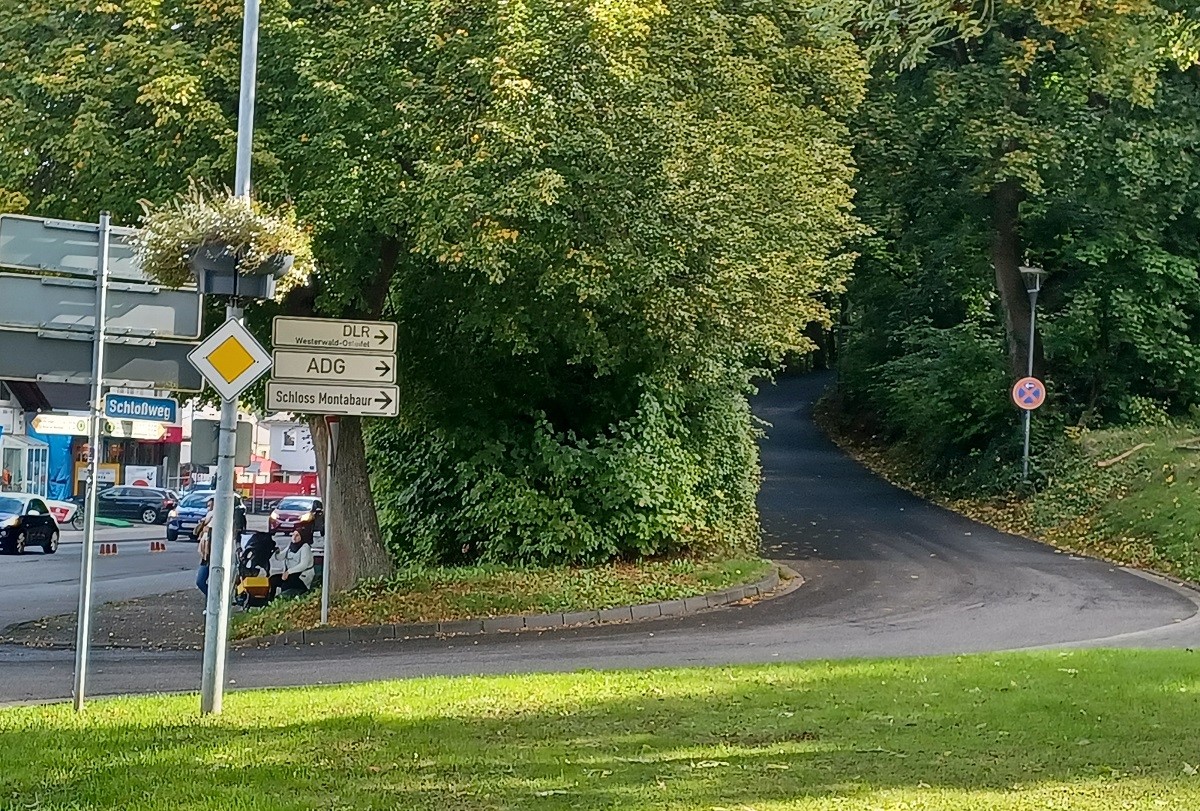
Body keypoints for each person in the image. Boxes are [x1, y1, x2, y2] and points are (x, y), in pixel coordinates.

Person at [270, 528, 315, 597]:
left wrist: (289, 572)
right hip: (290, 574)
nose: (294, 537)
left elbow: (303, 565)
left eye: (297, 535)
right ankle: (270, 600)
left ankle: (283, 601)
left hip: (301, 576)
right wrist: (276, 552)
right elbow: (281, 556)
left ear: (302, 537)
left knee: (286, 585)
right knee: (273, 580)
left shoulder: (305, 548)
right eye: (293, 535)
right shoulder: (291, 545)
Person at [194, 497, 215, 601]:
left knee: (202, 581)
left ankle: (212, 601)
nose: (208, 508)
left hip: (212, 554)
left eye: (210, 505)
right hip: (205, 555)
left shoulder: (216, 517)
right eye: (207, 506)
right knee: (200, 581)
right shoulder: (207, 518)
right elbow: (196, 533)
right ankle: (210, 601)